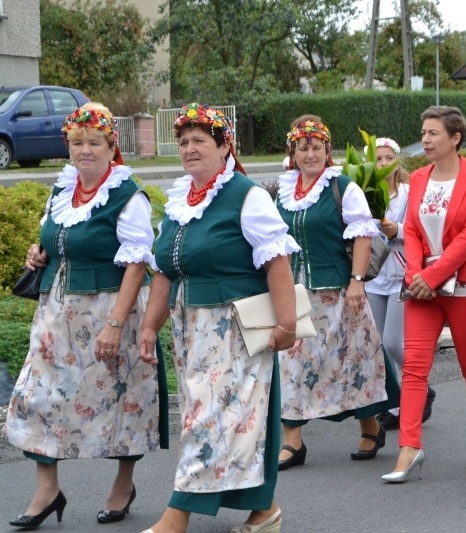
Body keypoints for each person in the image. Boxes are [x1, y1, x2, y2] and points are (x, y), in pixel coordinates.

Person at [3, 103, 168, 528]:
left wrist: (115, 324)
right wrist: (40, 253)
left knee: (121, 399)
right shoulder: (62, 191)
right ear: (69, 148)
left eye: (95, 142)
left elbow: (137, 263)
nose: (85, 150)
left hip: (110, 312)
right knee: (37, 396)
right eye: (77, 143)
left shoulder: (126, 195)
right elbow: (55, 239)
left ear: (112, 146)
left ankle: (124, 483)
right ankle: (47, 490)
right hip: (58, 315)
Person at [137, 103, 298, 533]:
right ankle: (264, 510)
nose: (190, 149)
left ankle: (178, 514)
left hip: (235, 328)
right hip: (190, 329)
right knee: (227, 421)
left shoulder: (246, 196)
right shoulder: (178, 202)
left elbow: (277, 261)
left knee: (207, 421)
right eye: (184, 141)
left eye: (200, 141)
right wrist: (150, 325)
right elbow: (164, 272)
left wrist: (287, 324)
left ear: (225, 146)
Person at [275, 116, 399, 470]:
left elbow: (362, 234)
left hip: (338, 291)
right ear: (293, 152)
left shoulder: (342, 186)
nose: (310, 154)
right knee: (292, 363)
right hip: (295, 293)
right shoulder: (284, 192)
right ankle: (293, 441)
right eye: (303, 147)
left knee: (352, 362)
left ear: (327, 151)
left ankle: (371, 426)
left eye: (316, 147)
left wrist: (358, 280)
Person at [382, 105, 466, 483]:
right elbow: (411, 230)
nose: (425, 139)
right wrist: (417, 275)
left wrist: (431, 276)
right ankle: (409, 446)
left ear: (455, 138)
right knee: (414, 366)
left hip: (464, 284)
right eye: (424, 132)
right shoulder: (418, 177)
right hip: (422, 284)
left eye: (433, 133)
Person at [365, 138, 437, 431]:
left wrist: (399, 229)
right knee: (378, 344)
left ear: (397, 161)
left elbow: (423, 228)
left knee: (394, 341)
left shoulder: (409, 194)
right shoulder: (366, 194)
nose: (383, 164)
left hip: (402, 274)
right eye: (378, 159)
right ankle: (397, 405)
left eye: (387, 158)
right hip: (374, 275)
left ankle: (422, 386)